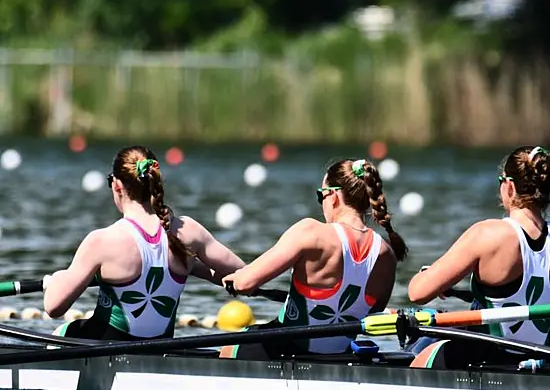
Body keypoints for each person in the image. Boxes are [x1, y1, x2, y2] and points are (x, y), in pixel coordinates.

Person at [43, 145, 245, 339]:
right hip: (158, 350)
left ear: (116, 185)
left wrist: (58, 279)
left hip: (107, 350)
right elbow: (245, 276)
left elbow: (54, 307)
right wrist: (191, 266)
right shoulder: (189, 231)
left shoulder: (102, 241)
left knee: (62, 332)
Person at [406, 146, 550, 369]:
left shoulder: (488, 233)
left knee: (421, 347)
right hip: (538, 362)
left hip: (482, 360)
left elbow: (416, 293)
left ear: (509, 186)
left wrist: (431, 276)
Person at [220, 158, 407, 358]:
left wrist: (236, 278)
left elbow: (245, 283)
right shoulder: (385, 254)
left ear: (333, 195)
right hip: (339, 356)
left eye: (321, 196)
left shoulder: (311, 232)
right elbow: (373, 311)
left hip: (286, 349)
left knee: (229, 348)